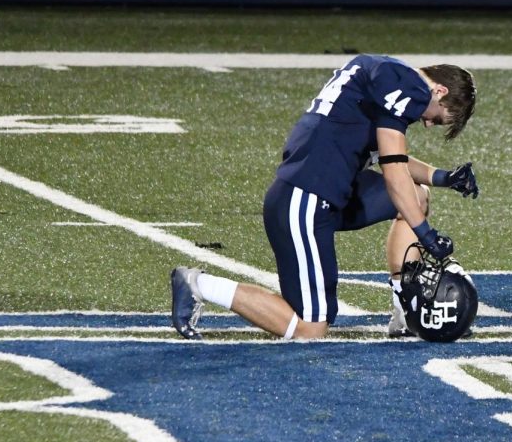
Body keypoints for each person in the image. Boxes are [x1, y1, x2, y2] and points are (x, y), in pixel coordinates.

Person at [171, 54, 478, 340]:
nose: (427, 123)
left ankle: (404, 312)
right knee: (311, 327)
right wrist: (426, 234)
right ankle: (198, 284)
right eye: (436, 118)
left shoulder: (386, 75)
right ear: (437, 90)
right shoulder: (407, 86)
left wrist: (443, 177)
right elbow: (395, 173)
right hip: (305, 200)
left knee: (418, 196)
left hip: (327, 190)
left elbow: (391, 158)